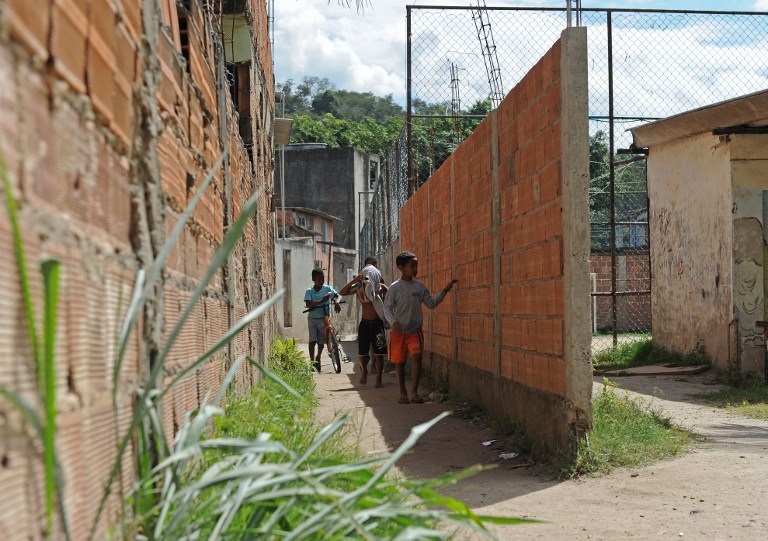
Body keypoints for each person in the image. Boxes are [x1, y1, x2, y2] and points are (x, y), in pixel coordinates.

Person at [383, 251, 457, 404]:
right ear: (401, 267)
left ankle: (414, 393)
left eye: (416, 265)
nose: (415, 269)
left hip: (415, 331)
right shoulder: (395, 287)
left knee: (416, 358)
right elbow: (387, 307)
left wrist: (445, 290)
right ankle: (403, 392)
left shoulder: (419, 287)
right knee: (400, 362)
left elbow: (431, 304)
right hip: (399, 332)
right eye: (412, 266)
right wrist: (393, 321)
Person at [339, 257, 389, 387]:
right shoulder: (359, 287)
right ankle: (364, 371)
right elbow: (342, 292)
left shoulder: (379, 285)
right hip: (365, 324)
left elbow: (390, 295)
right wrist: (354, 280)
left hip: (377, 323)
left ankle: (379, 378)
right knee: (363, 353)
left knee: (379, 353)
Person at [304, 268, 340, 372]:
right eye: (319, 279)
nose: (321, 281)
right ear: (313, 279)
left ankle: (318, 357)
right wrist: (321, 301)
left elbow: (337, 296)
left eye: (323, 279)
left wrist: (337, 302)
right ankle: (311, 362)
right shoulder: (309, 291)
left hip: (324, 318)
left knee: (321, 342)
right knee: (312, 340)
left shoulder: (327, 288)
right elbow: (308, 303)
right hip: (312, 319)